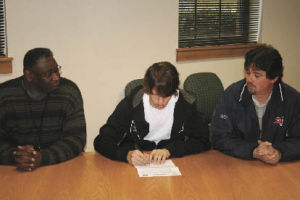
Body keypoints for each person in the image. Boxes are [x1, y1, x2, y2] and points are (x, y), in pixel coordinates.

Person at [94, 61, 210, 165]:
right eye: (156, 96)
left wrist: (171, 150)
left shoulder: (186, 104)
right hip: (136, 164)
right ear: (147, 89)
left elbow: (203, 140)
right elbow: (101, 141)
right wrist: (126, 155)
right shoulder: (133, 103)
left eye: (166, 97)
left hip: (173, 162)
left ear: (175, 91)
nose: (161, 102)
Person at [0, 48, 86, 171]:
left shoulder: (69, 92)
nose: (56, 77)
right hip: (12, 170)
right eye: (48, 74)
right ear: (29, 75)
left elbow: (77, 139)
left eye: (57, 71)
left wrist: (42, 158)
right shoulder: (4, 95)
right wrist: (16, 156)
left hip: (59, 167)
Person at [212, 45, 300, 164]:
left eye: (257, 75)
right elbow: (220, 137)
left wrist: (279, 152)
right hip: (240, 163)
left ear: (273, 78)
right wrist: (252, 151)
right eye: (248, 73)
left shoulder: (292, 99)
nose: (249, 79)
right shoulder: (232, 95)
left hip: (279, 167)